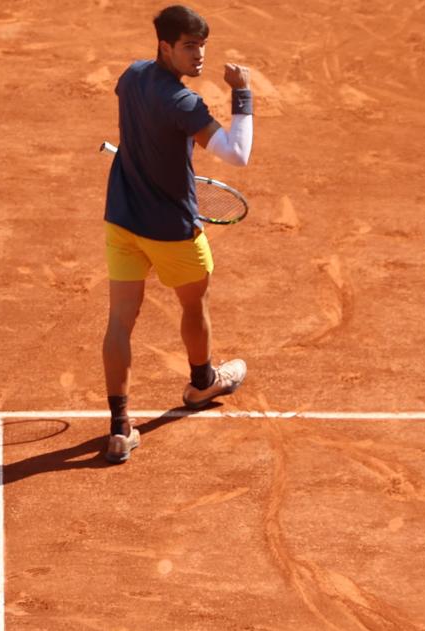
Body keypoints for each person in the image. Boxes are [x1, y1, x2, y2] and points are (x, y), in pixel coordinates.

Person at [101, 5, 256, 463]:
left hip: (123, 221)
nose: (199, 56)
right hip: (172, 231)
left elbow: (145, 126)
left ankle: (118, 429)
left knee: (119, 322)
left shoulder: (130, 77)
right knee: (194, 304)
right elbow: (237, 155)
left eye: (202, 46)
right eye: (190, 47)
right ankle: (202, 383)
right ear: (165, 46)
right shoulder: (183, 103)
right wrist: (244, 96)